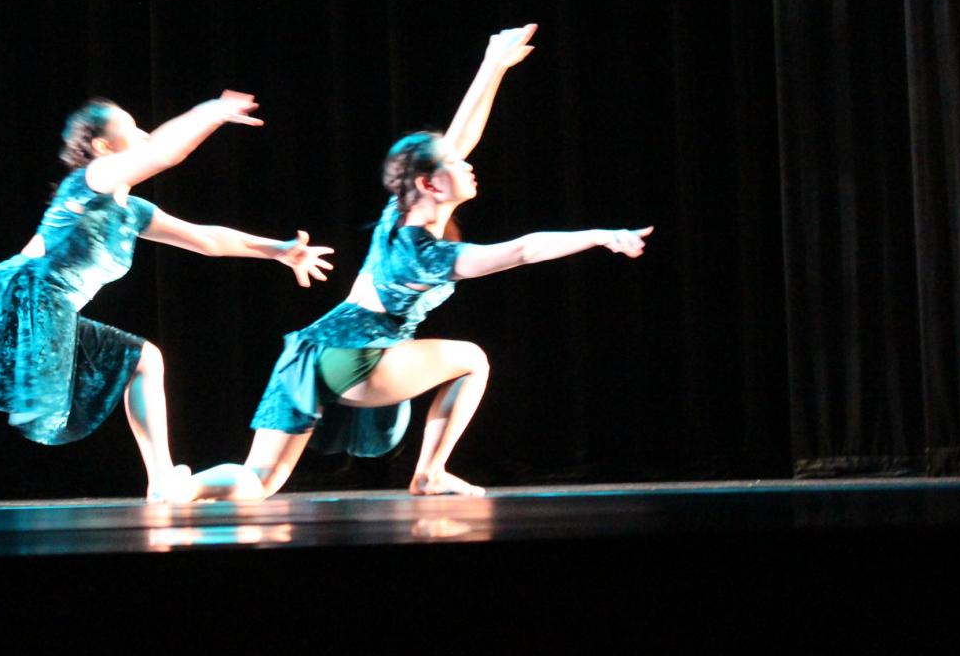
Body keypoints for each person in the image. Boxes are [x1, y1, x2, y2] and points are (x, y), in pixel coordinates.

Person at [0, 94, 333, 515]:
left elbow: (208, 238)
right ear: (103, 147)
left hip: (48, 311)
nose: (143, 134)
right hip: (0, 296)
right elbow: (170, 150)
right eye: (131, 130)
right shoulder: (89, 181)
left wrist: (279, 251)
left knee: (145, 359)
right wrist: (212, 110)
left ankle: (163, 479)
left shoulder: (131, 211)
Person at [192, 25, 650, 501]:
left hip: (305, 350)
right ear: (430, 185)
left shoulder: (398, 215)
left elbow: (459, 139)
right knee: (472, 359)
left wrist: (492, 65)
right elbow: (522, 250)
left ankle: (182, 488)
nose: (468, 165)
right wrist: (599, 236)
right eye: (454, 166)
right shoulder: (427, 256)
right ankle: (430, 472)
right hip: (358, 357)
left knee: (259, 480)